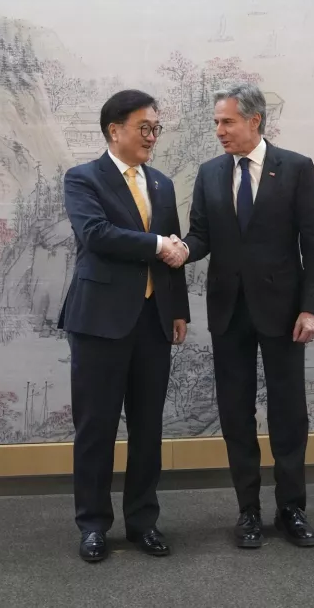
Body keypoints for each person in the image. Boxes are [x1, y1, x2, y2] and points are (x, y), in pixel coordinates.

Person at [166, 82, 314, 548]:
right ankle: (249, 512)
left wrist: (311, 309)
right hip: (229, 312)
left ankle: (292, 509)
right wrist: (180, 249)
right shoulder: (210, 173)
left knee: (288, 414)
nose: (219, 130)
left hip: (283, 313)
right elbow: (201, 236)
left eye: (227, 122)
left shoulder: (296, 168)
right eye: (217, 122)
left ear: (255, 121)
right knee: (235, 414)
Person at [58, 89, 190, 562]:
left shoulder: (162, 184)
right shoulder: (83, 179)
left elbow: (173, 254)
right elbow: (96, 235)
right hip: (99, 323)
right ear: (114, 131)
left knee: (149, 428)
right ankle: (93, 525)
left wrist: (178, 311)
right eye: (144, 128)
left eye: (156, 128)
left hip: (152, 324)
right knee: (96, 429)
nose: (152, 136)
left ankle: (143, 522)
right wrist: (157, 244)